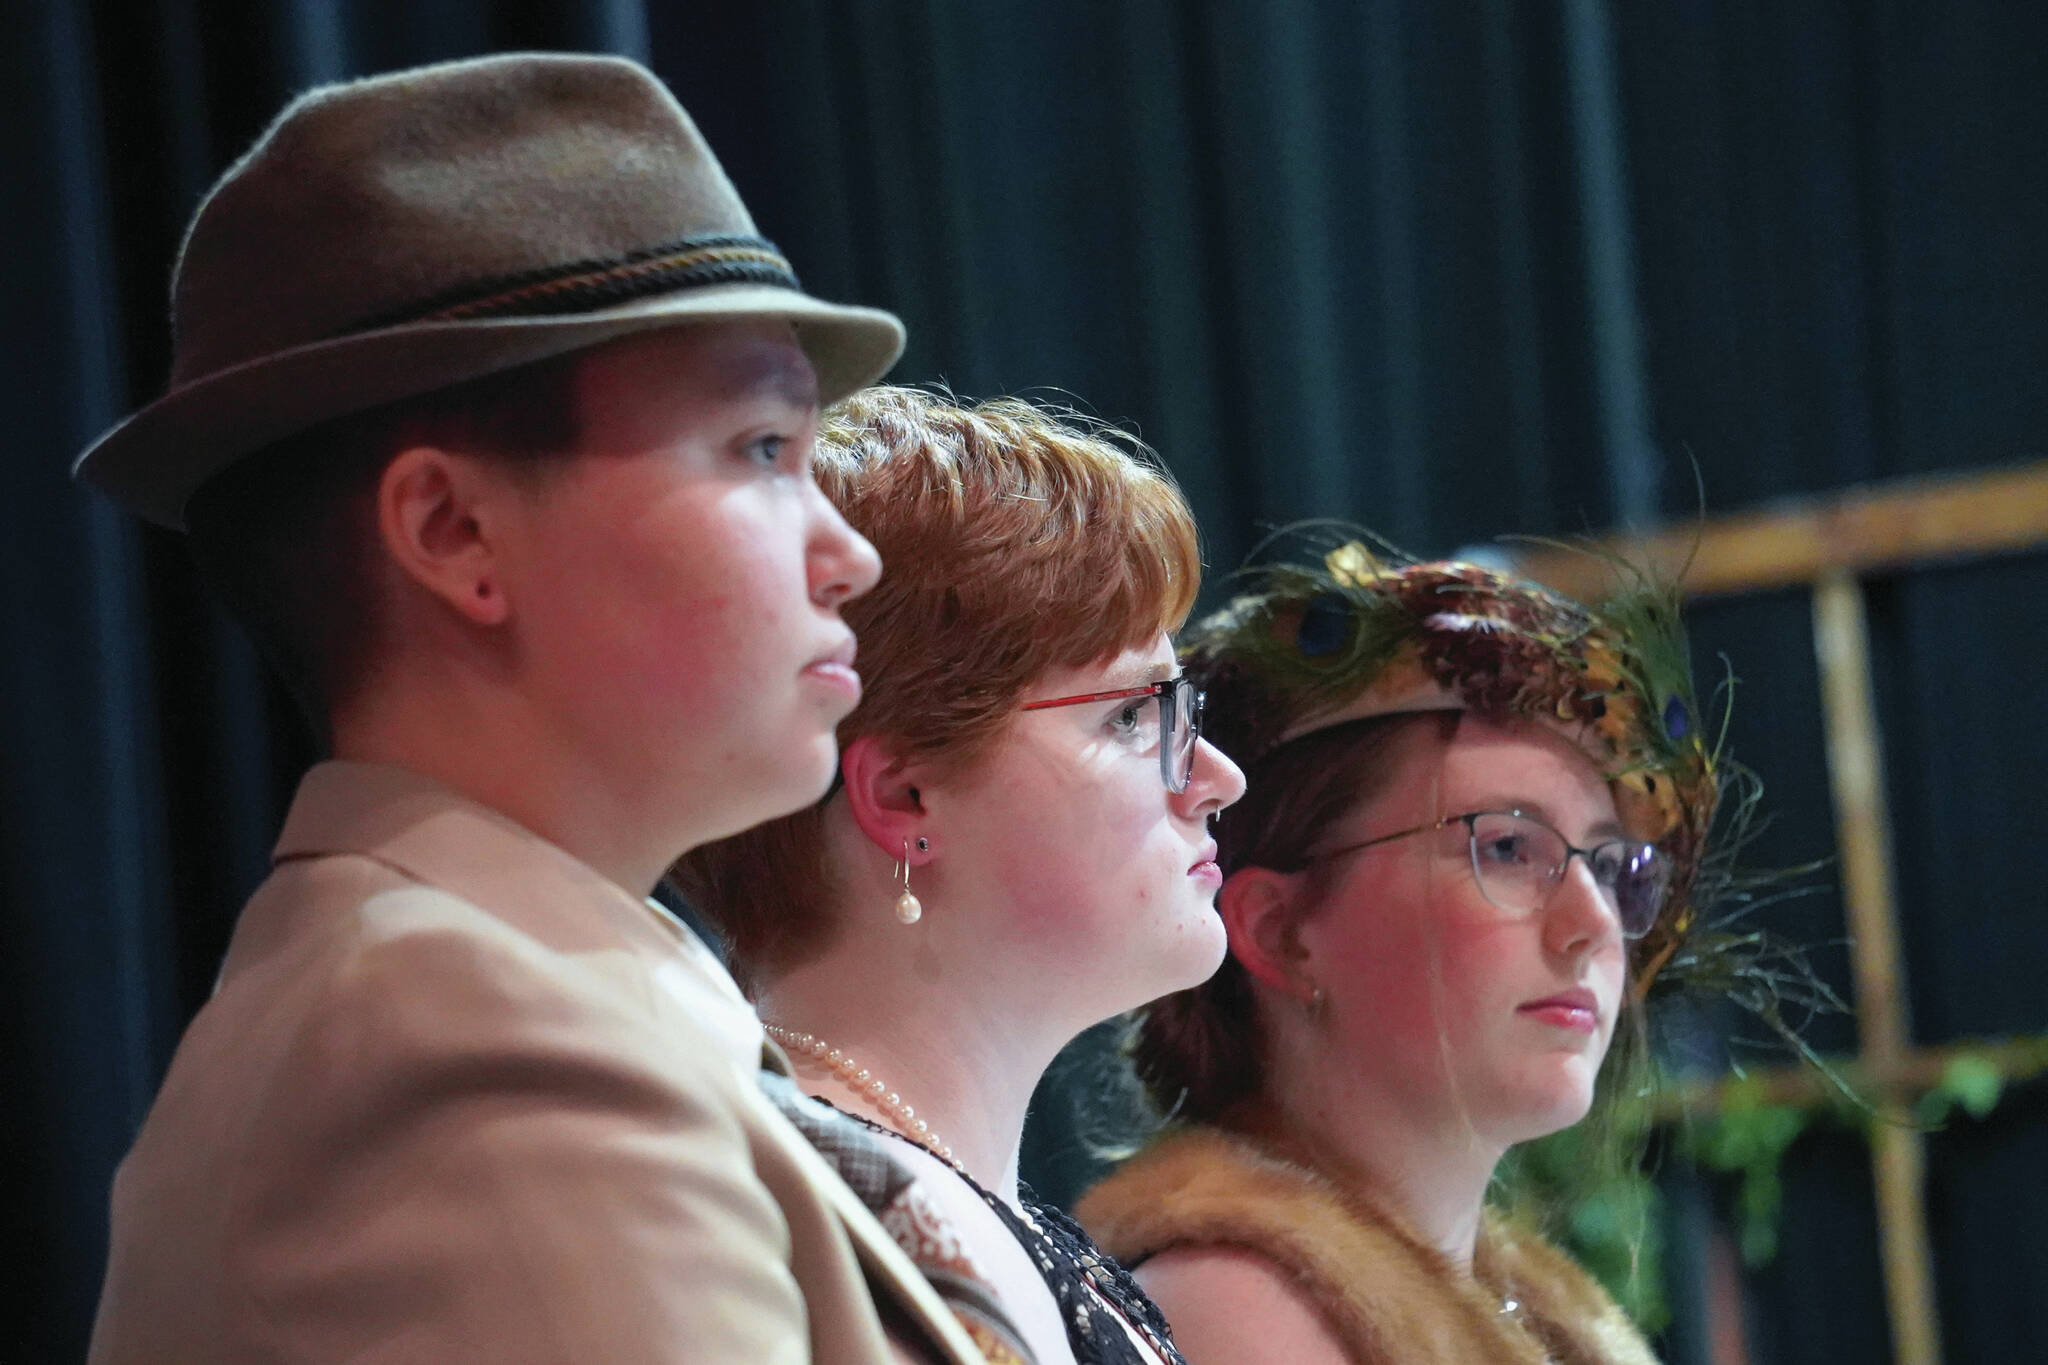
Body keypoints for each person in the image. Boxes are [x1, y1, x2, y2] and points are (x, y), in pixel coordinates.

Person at [75, 53, 991, 1365]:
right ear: (456, 533)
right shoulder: (469, 1038)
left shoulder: (527, 988)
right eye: (762, 450)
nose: (851, 555)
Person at [672, 387, 1249, 1365]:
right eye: (1129, 717)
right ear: (903, 800)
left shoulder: (978, 1215)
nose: (1216, 779)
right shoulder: (795, 1223)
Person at [1076, 541, 1731, 1365]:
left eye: (1609, 865)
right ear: (1281, 931)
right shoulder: (1242, 1318)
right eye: (1505, 847)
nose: (1594, 922)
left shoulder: (1531, 1309)